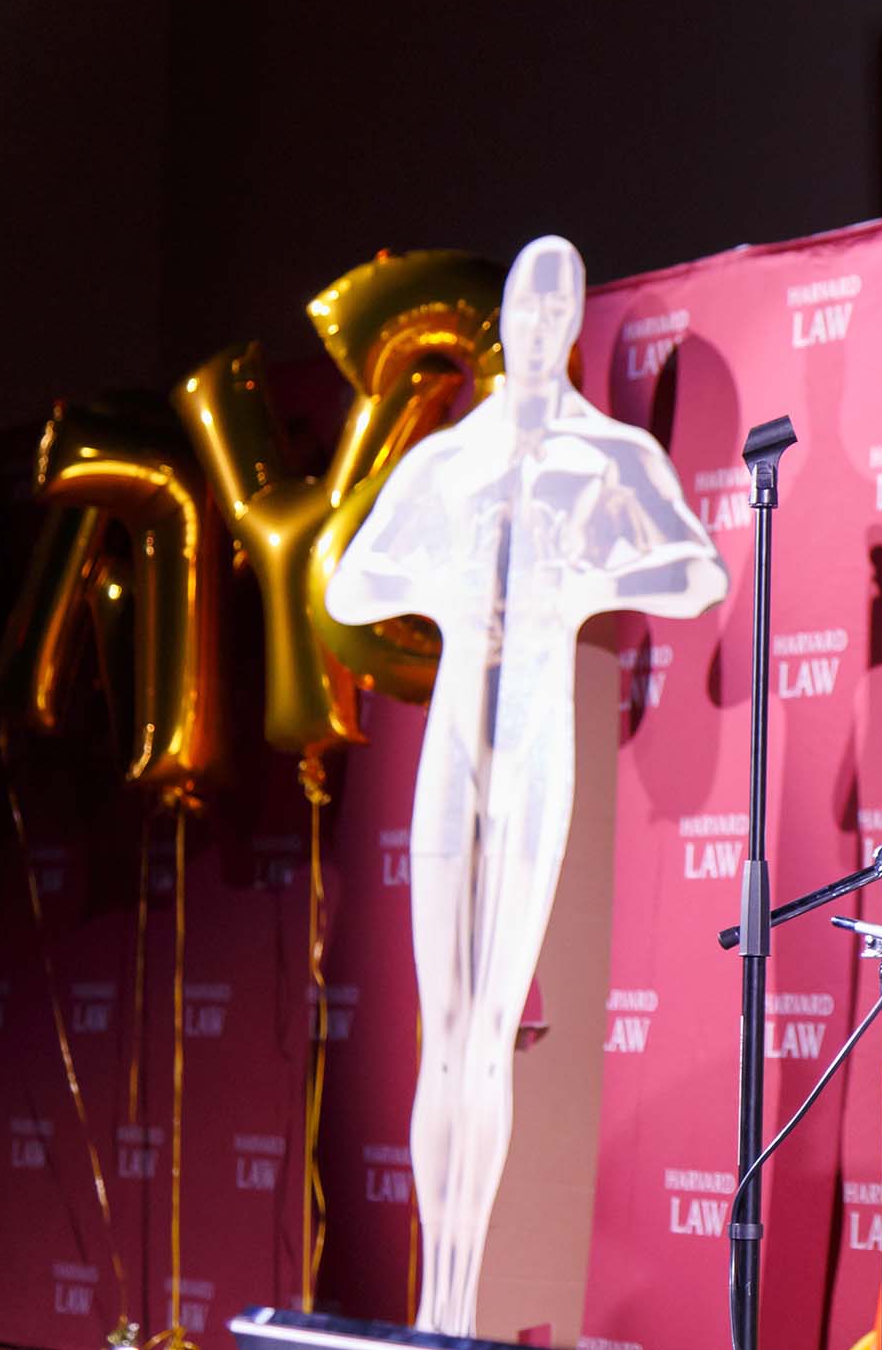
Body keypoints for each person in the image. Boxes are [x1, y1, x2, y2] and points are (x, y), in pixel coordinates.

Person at [326, 235, 727, 1332]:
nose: (542, 325)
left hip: (541, 729)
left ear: (579, 321)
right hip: (457, 727)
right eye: (526, 307)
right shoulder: (449, 457)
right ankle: (436, 1294)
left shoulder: (611, 454)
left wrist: (581, 577)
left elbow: (700, 572)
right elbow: (353, 580)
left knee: (494, 1017)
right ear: (503, 321)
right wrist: (452, 586)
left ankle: (459, 1306)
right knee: (441, 1025)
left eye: (561, 308)